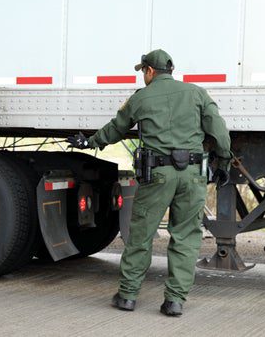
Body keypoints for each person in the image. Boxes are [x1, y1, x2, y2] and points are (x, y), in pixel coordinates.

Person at [67, 49, 231, 316]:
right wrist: (224, 162)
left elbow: (116, 128)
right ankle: (175, 300)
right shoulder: (197, 93)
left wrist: (89, 141)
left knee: (141, 235)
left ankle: (128, 296)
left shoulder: (141, 98)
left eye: (143, 71)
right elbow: (220, 132)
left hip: (157, 175)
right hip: (192, 174)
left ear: (150, 71)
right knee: (186, 236)